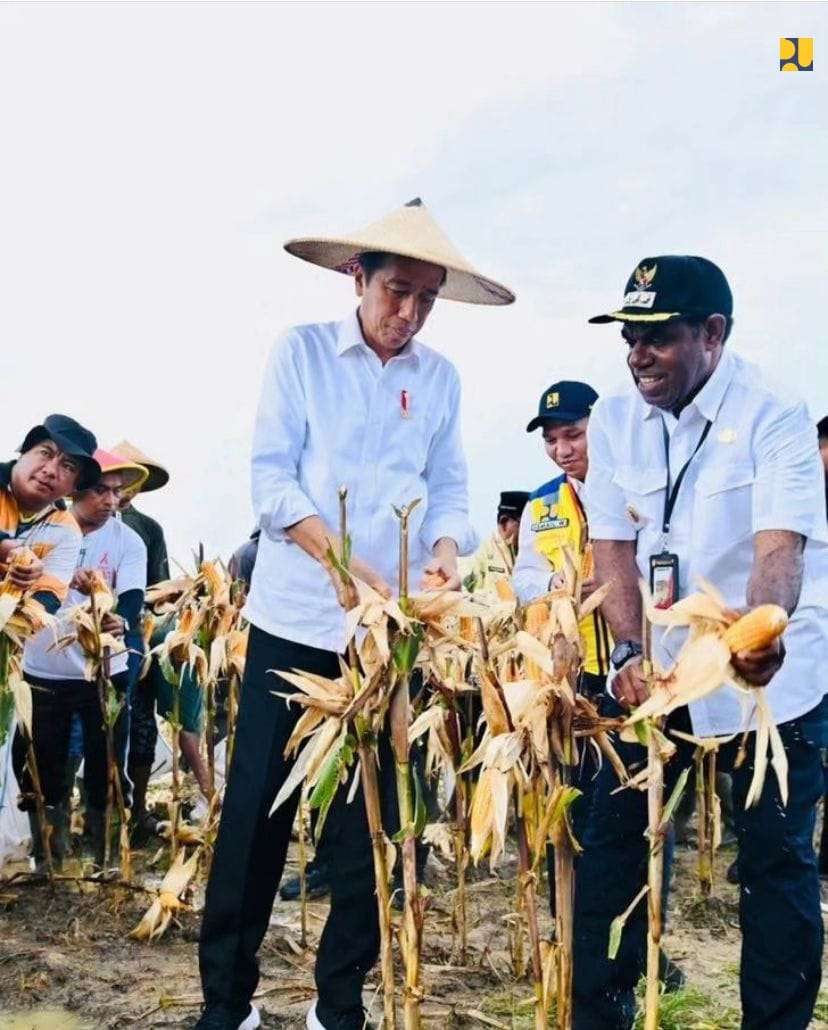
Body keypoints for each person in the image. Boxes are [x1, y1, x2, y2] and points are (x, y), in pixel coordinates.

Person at [196, 197, 513, 1030]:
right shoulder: (301, 356)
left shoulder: (438, 379)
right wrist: (352, 570)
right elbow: (274, 485)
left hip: (387, 645)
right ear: (356, 276)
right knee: (255, 823)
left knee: (369, 831)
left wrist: (445, 553)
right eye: (395, 291)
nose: (408, 314)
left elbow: (448, 489)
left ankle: (339, 1007)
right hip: (293, 624)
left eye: (426, 299)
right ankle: (227, 1006)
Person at [575, 255, 828, 1029]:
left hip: (769, 679)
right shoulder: (617, 418)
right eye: (629, 337)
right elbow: (613, 547)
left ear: (711, 334)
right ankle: (602, 1015)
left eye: (658, 336)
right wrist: (623, 653)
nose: (637, 354)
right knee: (613, 845)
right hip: (660, 674)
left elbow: (779, 548)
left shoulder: (774, 412)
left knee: (777, 864)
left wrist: (763, 633)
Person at [15, 449, 147, 867]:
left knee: (105, 768)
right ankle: (49, 860)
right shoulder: (43, 528)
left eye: (116, 493)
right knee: (43, 771)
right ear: (76, 491)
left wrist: (119, 623)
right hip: (44, 671)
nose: (110, 501)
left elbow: (131, 599)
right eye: (99, 491)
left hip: (104, 673)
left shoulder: (129, 541)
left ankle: (105, 859)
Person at [512, 380, 611, 692]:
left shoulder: (633, 487)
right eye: (550, 440)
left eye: (573, 435)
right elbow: (525, 574)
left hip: (634, 664)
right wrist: (550, 584)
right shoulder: (540, 503)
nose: (562, 450)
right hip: (572, 669)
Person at [461, 491, 529, 594]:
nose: (532, 533)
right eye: (527, 525)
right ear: (504, 524)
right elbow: (461, 592)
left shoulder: (540, 551)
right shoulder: (479, 552)